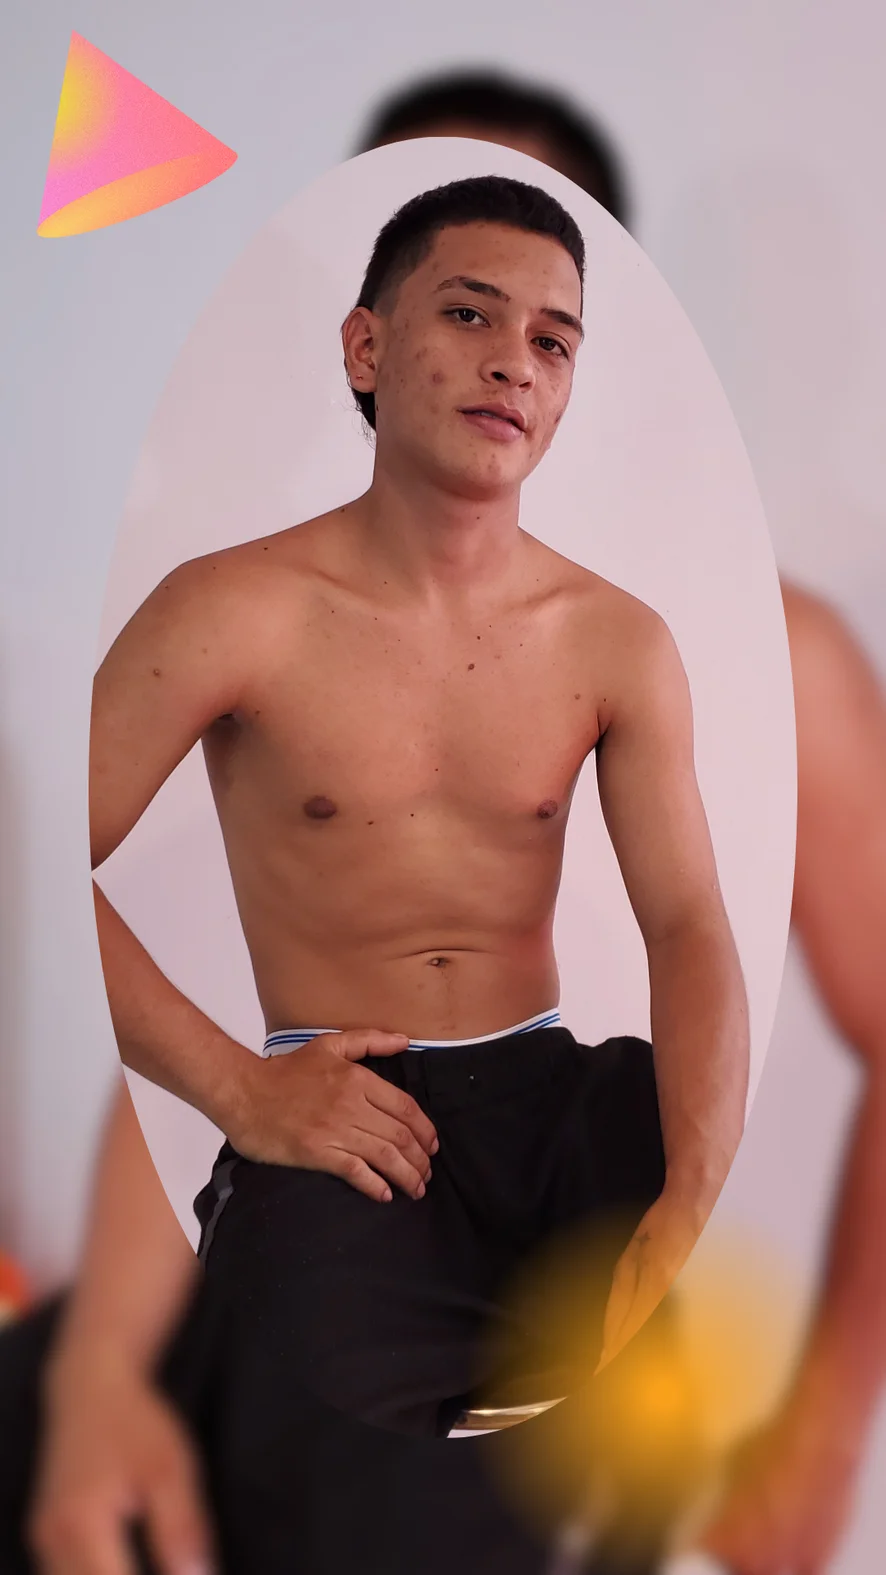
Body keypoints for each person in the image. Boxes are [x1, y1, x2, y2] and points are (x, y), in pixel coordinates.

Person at [13, 69, 886, 1574]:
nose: (509, 362)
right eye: (469, 311)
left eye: (550, 336)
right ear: (367, 341)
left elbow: (690, 922)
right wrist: (237, 1093)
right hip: (340, 1112)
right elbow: (43, 871)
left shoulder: (628, 638)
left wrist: (693, 1208)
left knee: (622, 1400)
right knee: (356, 1477)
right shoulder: (233, 610)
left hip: (552, 1102)